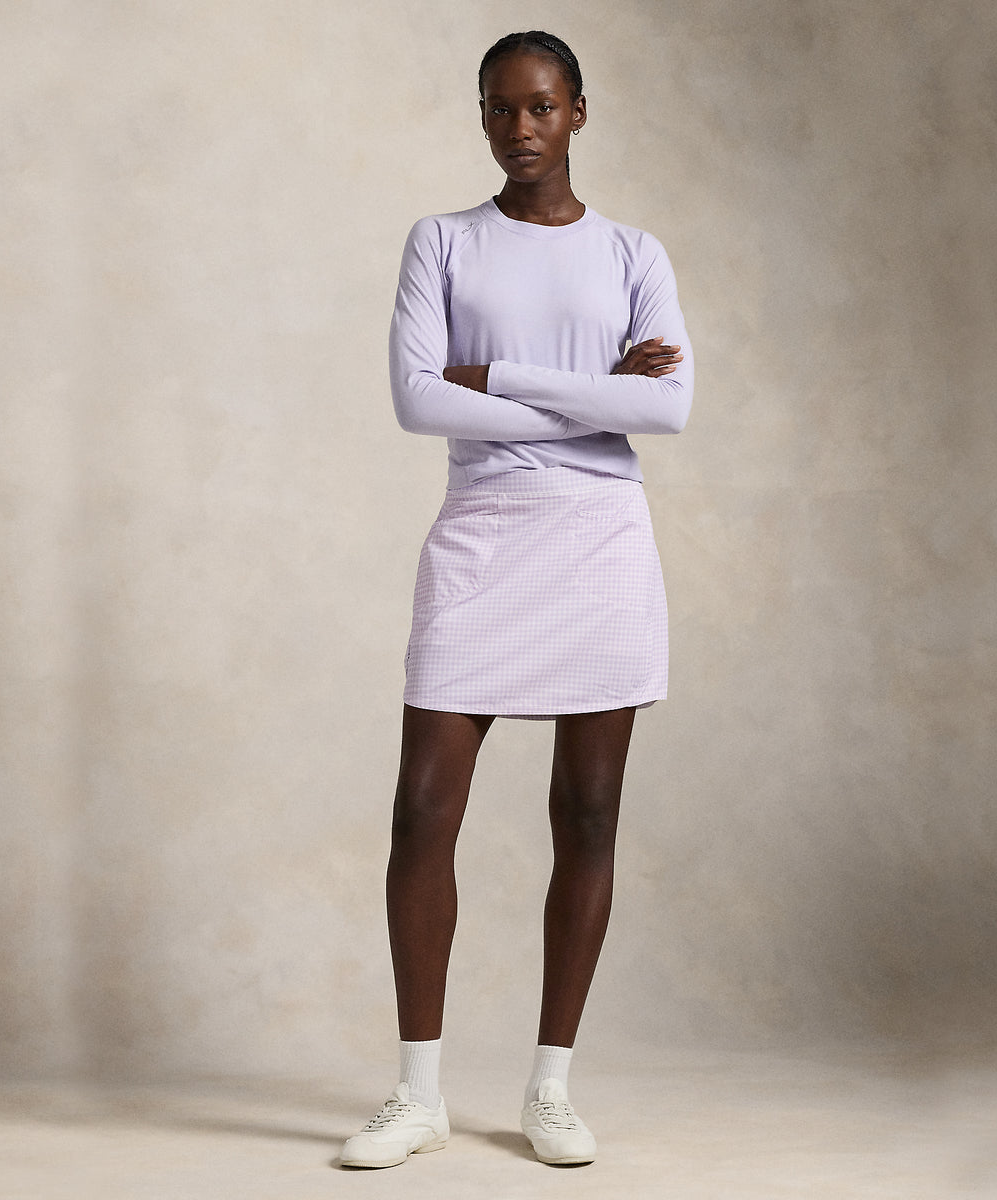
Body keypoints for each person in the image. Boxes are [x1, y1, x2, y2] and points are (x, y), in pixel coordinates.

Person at [340, 30, 692, 1170]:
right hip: (485, 534)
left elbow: (668, 409)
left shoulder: (633, 253)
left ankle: (550, 1090)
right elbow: (417, 403)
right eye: (499, 108)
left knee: (587, 815)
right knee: (422, 811)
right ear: (482, 115)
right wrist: (594, 396)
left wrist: (497, 377)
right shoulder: (442, 241)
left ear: (579, 111)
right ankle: (417, 1094)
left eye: (541, 107)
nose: (520, 128)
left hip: (600, 543)